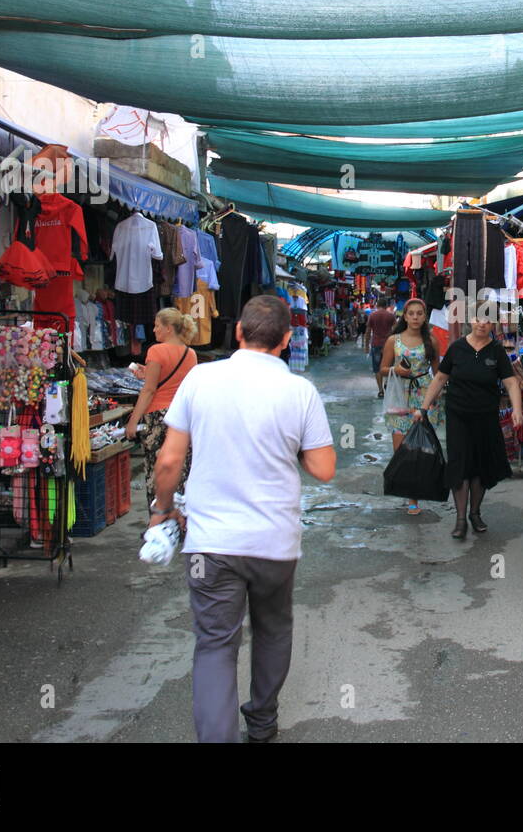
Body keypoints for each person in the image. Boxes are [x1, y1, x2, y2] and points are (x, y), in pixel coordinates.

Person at [151, 294, 336, 743]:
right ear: (288, 340)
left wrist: (162, 510)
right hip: (274, 542)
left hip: (211, 544)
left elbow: (169, 462)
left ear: (237, 332)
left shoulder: (202, 379)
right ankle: (262, 722)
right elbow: (324, 468)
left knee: (215, 644)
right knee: (273, 628)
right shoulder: (299, 392)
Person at [414, 297, 523, 540]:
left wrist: (516, 409)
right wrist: (423, 408)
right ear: (470, 321)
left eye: (487, 320)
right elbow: (440, 379)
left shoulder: (496, 351)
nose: (482, 324)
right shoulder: (457, 348)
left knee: (480, 467)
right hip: (458, 416)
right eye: (477, 318)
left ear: (493, 324)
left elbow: (511, 382)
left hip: (486, 418)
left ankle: (475, 513)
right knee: (460, 466)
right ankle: (461, 518)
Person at [126, 307, 198, 503]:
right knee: (181, 470)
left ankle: (159, 521)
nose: (154, 330)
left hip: (158, 417)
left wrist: (133, 421)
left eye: (158, 326)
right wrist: (147, 373)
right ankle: (180, 523)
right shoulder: (190, 353)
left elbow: (149, 391)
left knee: (157, 471)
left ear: (168, 328)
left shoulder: (156, 351)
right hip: (182, 418)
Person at [381, 298, 442, 515]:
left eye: (419, 313)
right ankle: (405, 488)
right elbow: (382, 368)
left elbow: (439, 374)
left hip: (423, 396)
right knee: (401, 449)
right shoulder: (393, 341)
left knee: (418, 448)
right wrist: (396, 371)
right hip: (399, 396)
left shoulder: (432, 341)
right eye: (411, 313)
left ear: (425, 317)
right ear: (404, 316)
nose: (415, 317)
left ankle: (413, 497)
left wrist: (437, 397)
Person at [365, 297, 397, 398]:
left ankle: (380, 390)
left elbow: (368, 332)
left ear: (377, 305)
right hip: (389, 344)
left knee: (377, 368)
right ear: (386, 306)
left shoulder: (372, 315)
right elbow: (396, 330)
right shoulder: (390, 316)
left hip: (376, 344)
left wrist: (366, 346)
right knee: (389, 366)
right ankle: (387, 383)